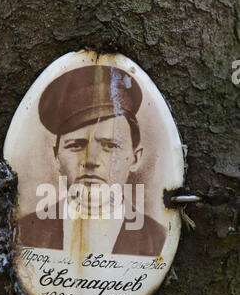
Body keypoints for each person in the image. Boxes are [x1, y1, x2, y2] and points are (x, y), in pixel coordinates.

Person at [17, 65, 167, 256]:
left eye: (110, 146)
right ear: (57, 157)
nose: (91, 160)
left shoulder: (159, 240)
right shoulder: (25, 233)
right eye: (76, 145)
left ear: (135, 158)